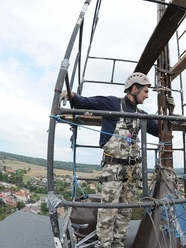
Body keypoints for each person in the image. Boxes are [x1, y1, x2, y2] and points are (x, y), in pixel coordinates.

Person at [60, 72, 173, 248]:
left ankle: (118, 244)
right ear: (134, 89)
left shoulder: (140, 114)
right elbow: (86, 103)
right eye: (145, 91)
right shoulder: (113, 104)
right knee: (108, 212)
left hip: (131, 172)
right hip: (113, 169)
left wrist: (169, 115)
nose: (147, 95)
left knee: (125, 211)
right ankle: (104, 245)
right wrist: (71, 95)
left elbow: (160, 131)